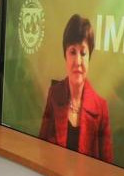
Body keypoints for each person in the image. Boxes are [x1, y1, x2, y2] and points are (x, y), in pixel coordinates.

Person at [39, 14, 114, 162]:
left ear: (89, 57)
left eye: (83, 53)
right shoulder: (54, 94)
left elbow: (107, 169)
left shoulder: (101, 108)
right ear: (65, 56)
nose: (78, 61)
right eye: (72, 52)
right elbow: (41, 149)